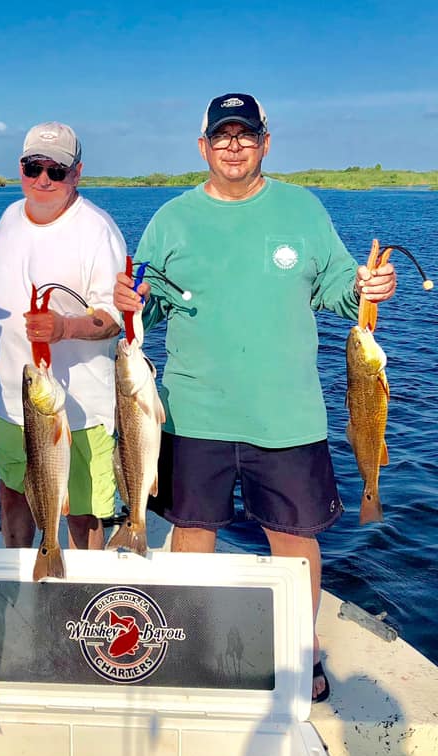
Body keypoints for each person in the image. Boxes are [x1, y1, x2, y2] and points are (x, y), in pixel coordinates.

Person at [113, 93, 396, 703]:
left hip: (286, 413)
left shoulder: (302, 209)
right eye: (222, 136)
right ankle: (188, 646)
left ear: (266, 142)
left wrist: (371, 285)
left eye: (245, 135)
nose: (233, 145)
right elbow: (147, 304)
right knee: (191, 534)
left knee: (294, 541)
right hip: (192, 411)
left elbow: (341, 290)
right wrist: (129, 303)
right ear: (203, 147)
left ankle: (303, 652)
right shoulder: (171, 219)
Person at [0, 121, 126, 550]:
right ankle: (22, 579)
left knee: (80, 511)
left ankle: (84, 603)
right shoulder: (9, 218)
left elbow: (114, 318)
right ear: (20, 168)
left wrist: (65, 327)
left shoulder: (97, 229)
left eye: (57, 170)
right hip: (11, 401)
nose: (43, 180)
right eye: (34, 167)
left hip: (80, 411)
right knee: (14, 494)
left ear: (77, 173)